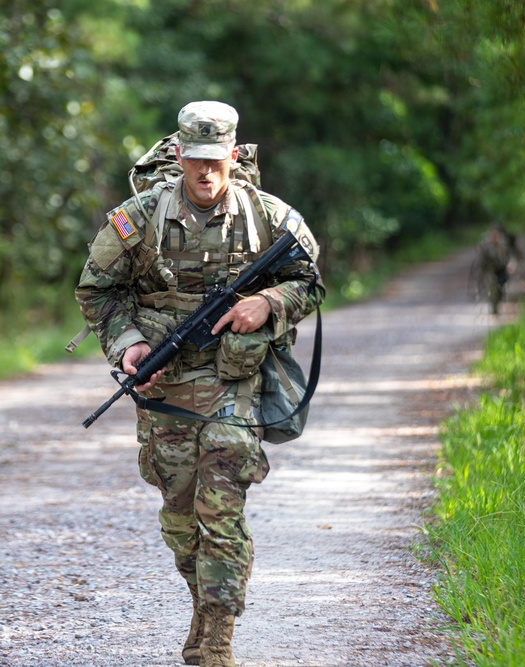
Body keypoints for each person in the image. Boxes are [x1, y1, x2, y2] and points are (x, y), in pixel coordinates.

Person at [75, 101, 324, 667]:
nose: (206, 173)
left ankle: (217, 639)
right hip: (164, 383)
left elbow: (308, 282)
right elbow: (96, 292)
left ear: (233, 156)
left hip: (234, 379)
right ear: (180, 154)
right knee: (182, 514)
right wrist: (130, 344)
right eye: (196, 160)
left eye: (217, 160)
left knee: (222, 501)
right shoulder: (138, 218)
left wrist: (267, 302)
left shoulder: (268, 215)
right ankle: (202, 600)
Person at [476, 222, 519, 315]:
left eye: (497, 233)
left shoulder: (504, 243)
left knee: (500, 288)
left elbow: (511, 255)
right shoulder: (485, 243)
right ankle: (494, 307)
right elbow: (480, 259)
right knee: (492, 286)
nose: (494, 235)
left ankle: (497, 301)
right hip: (489, 269)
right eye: (493, 232)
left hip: (501, 268)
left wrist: (511, 264)